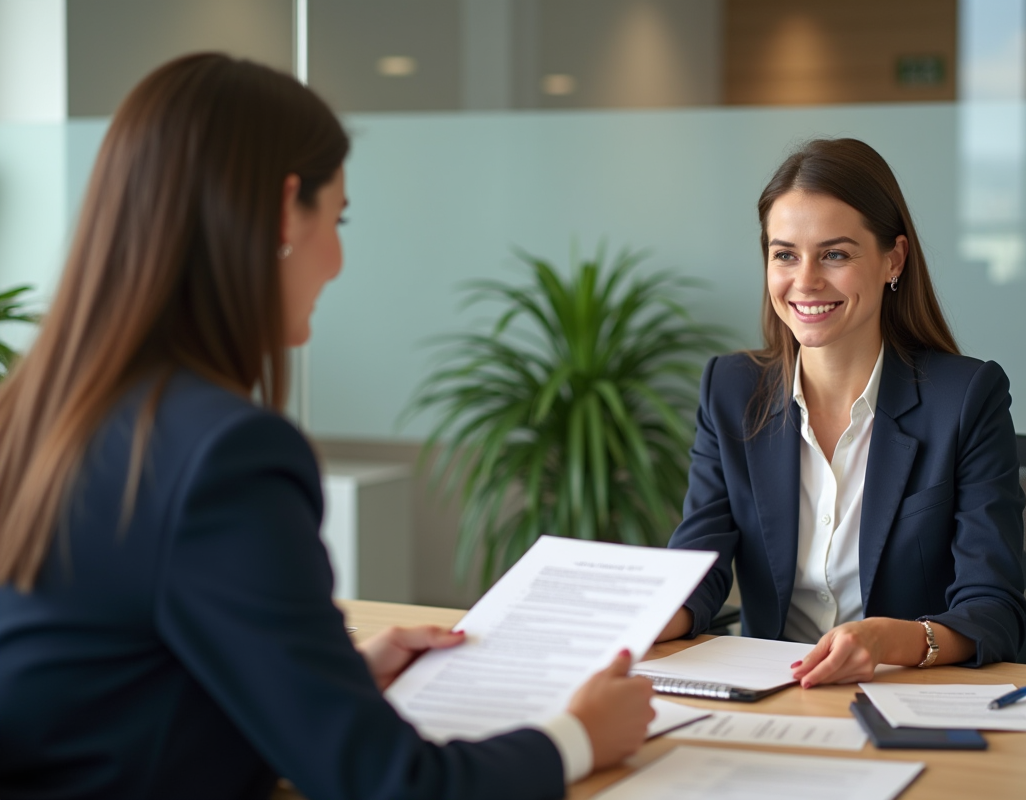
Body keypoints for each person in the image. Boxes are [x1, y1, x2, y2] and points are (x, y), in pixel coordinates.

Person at [0, 53, 652, 800]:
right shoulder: (223, 454)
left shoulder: (34, 416)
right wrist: (579, 735)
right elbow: (393, 787)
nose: (338, 261)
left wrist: (334, 683)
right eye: (337, 218)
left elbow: (110, 685)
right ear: (286, 210)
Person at [658, 138, 1026, 688]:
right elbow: (699, 566)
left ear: (892, 259)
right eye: (785, 254)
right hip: (774, 693)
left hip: (901, 692)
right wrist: (650, 619)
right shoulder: (731, 390)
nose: (805, 280)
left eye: (835, 254)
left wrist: (886, 641)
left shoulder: (966, 398)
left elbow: (993, 609)